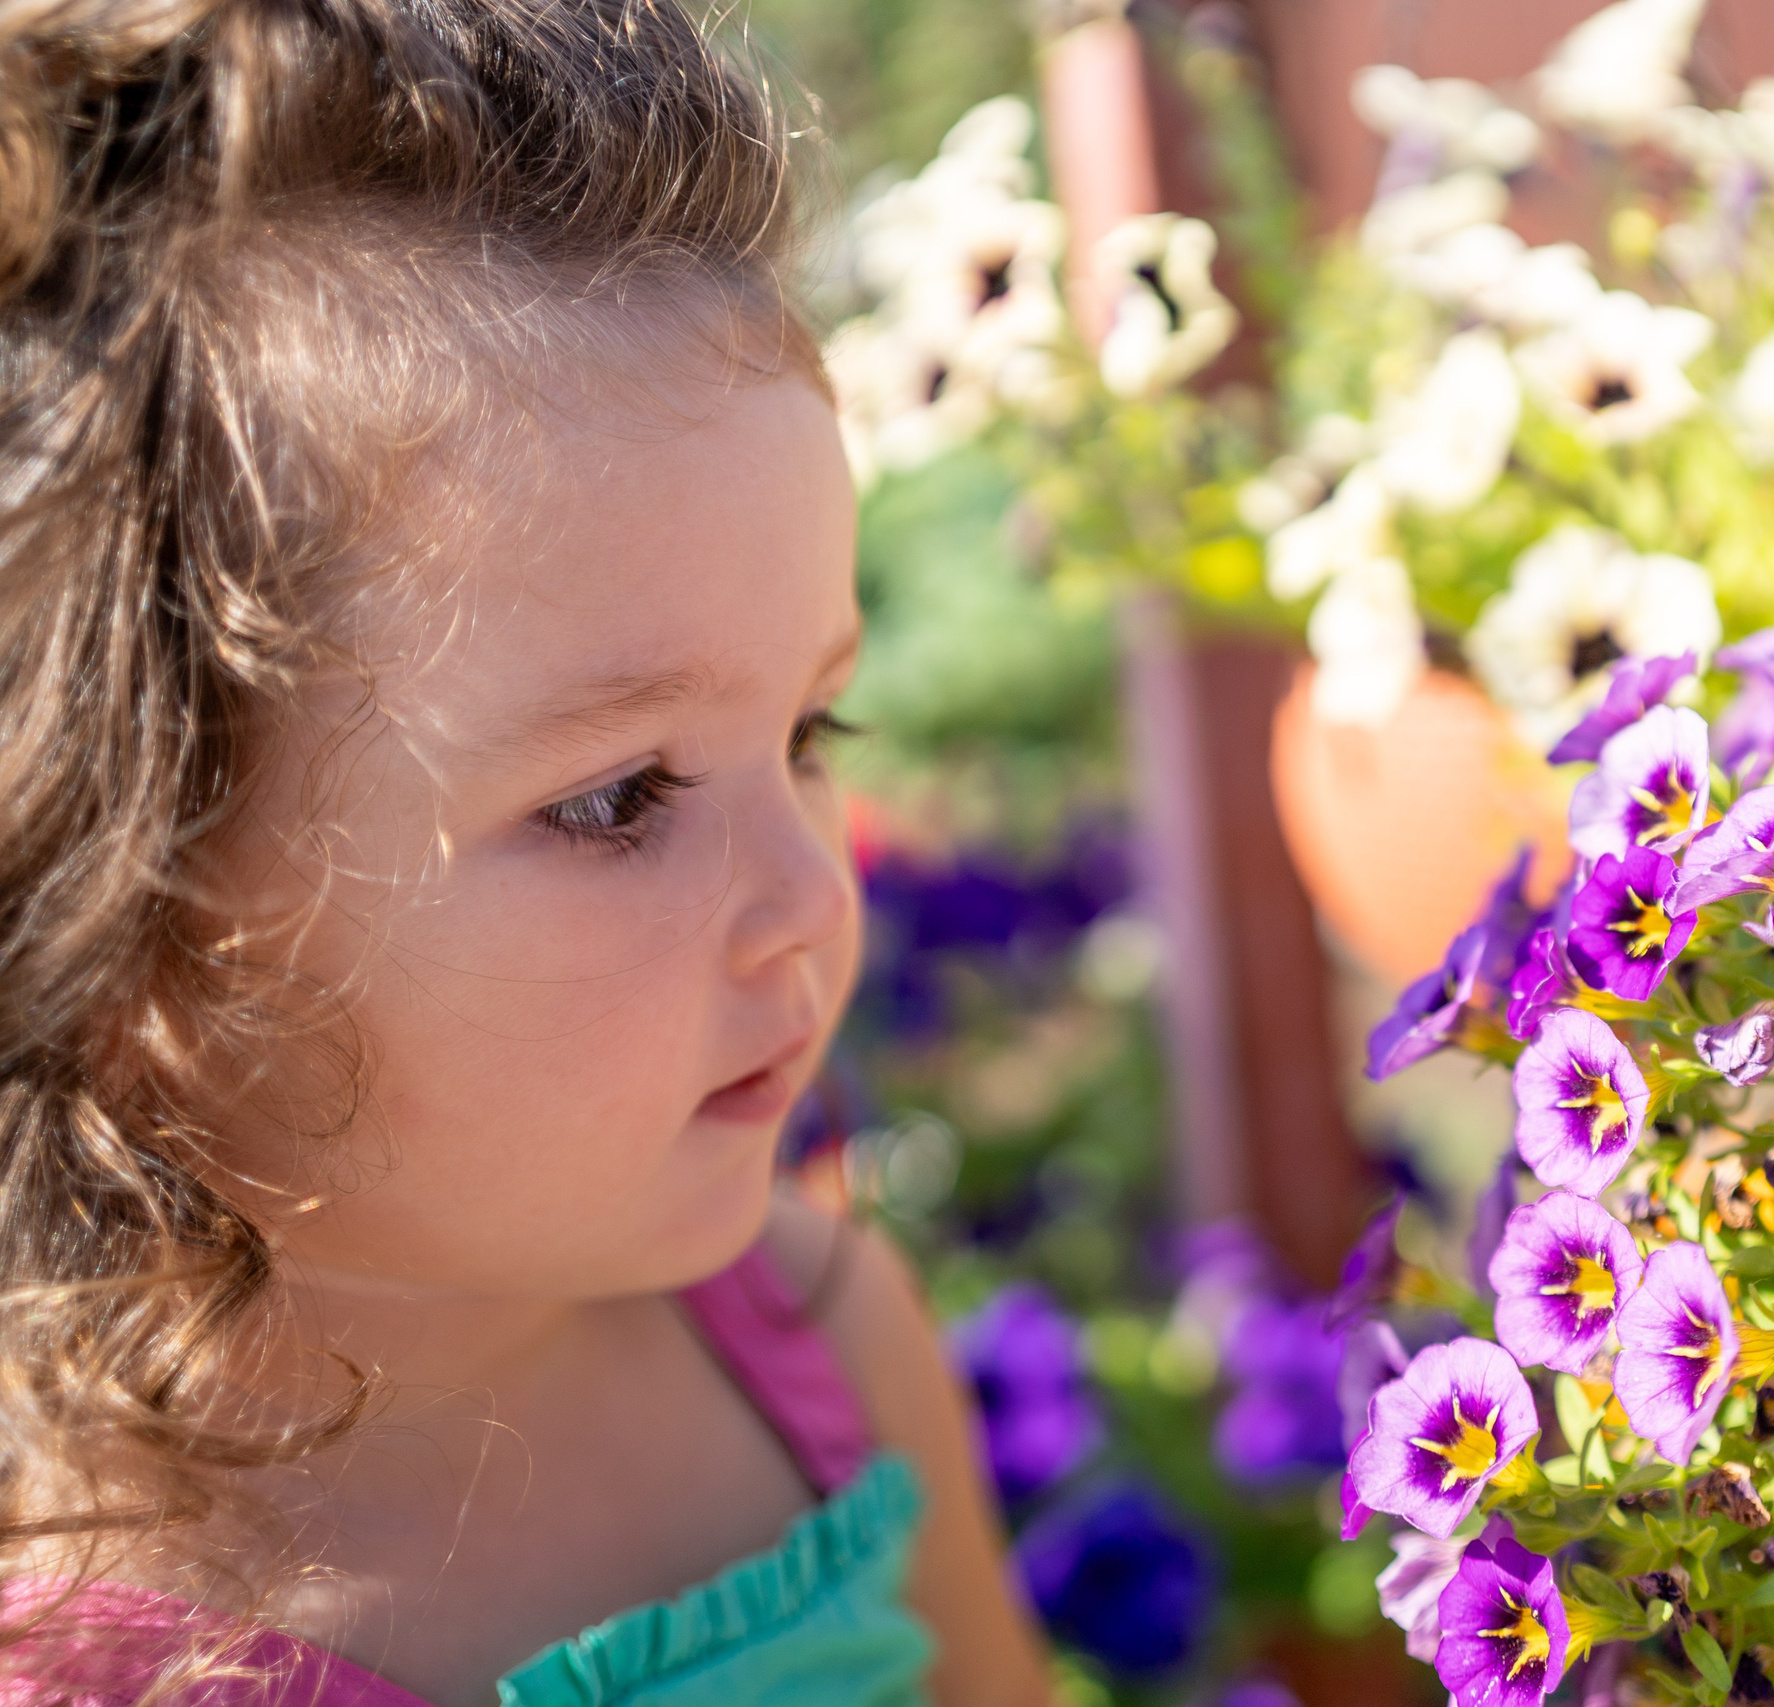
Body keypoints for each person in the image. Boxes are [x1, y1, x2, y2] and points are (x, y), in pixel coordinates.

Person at [0, 3, 1053, 1702]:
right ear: (128, 916)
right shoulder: (103, 1667)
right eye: (620, 799)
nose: (813, 902)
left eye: (806, 734)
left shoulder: (818, 1340)